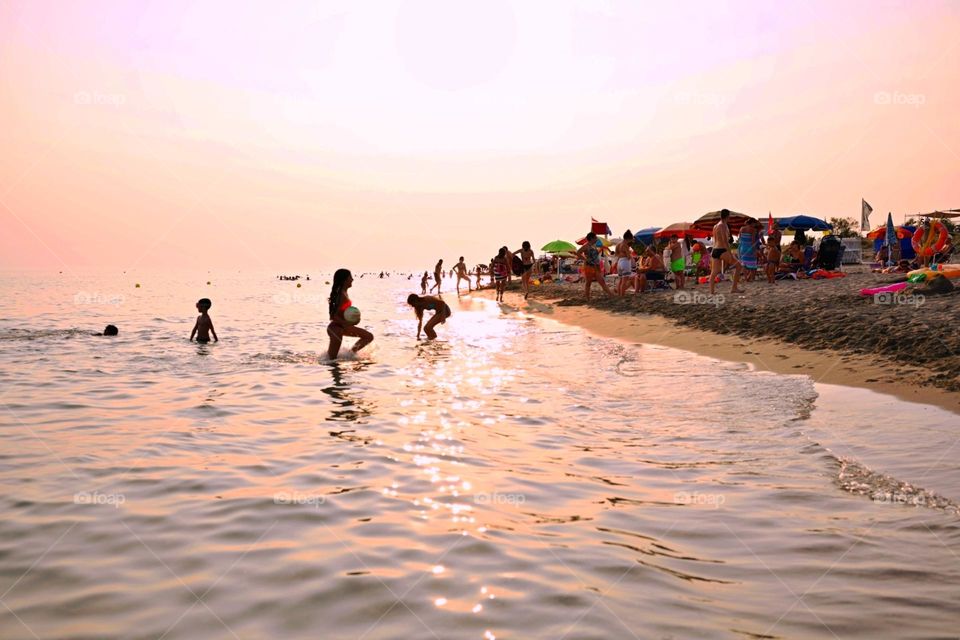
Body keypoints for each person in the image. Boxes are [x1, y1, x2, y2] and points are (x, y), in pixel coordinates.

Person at [326, 269, 373, 359]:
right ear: (344, 280)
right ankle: (349, 356)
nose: (352, 279)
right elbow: (333, 316)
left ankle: (349, 355)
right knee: (331, 360)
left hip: (342, 327)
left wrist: (353, 319)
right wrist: (347, 323)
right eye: (350, 277)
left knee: (368, 336)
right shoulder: (340, 295)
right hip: (335, 329)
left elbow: (342, 312)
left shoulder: (344, 293)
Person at [709, 209, 744, 295]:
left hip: (715, 250)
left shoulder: (715, 226)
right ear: (728, 216)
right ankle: (734, 288)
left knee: (714, 272)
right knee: (739, 266)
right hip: (722, 249)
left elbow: (715, 240)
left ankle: (712, 291)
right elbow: (725, 241)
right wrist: (730, 253)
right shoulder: (723, 225)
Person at [576, 232, 614, 300]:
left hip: (596, 266)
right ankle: (587, 298)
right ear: (591, 238)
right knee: (588, 282)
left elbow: (595, 255)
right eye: (595, 238)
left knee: (602, 281)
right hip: (589, 266)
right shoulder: (586, 245)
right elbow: (578, 252)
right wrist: (585, 259)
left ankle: (611, 295)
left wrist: (601, 249)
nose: (597, 239)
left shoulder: (594, 245)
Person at [614, 230, 635, 296]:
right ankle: (622, 295)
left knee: (620, 281)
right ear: (628, 238)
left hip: (619, 262)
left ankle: (619, 295)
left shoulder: (618, 244)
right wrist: (630, 253)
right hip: (625, 262)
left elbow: (616, 254)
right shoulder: (625, 245)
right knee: (624, 281)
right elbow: (628, 257)